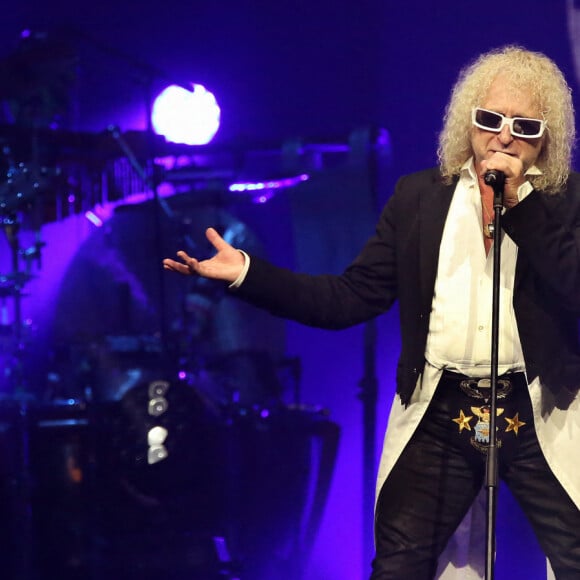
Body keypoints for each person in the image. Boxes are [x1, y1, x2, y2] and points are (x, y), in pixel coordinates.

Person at [163, 45, 580, 579]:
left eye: (523, 125)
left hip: (536, 410)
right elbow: (348, 298)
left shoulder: (564, 205)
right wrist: (247, 272)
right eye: (490, 119)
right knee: (399, 563)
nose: (503, 136)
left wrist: (522, 210)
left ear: (545, 137)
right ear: (467, 122)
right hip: (444, 410)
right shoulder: (419, 200)